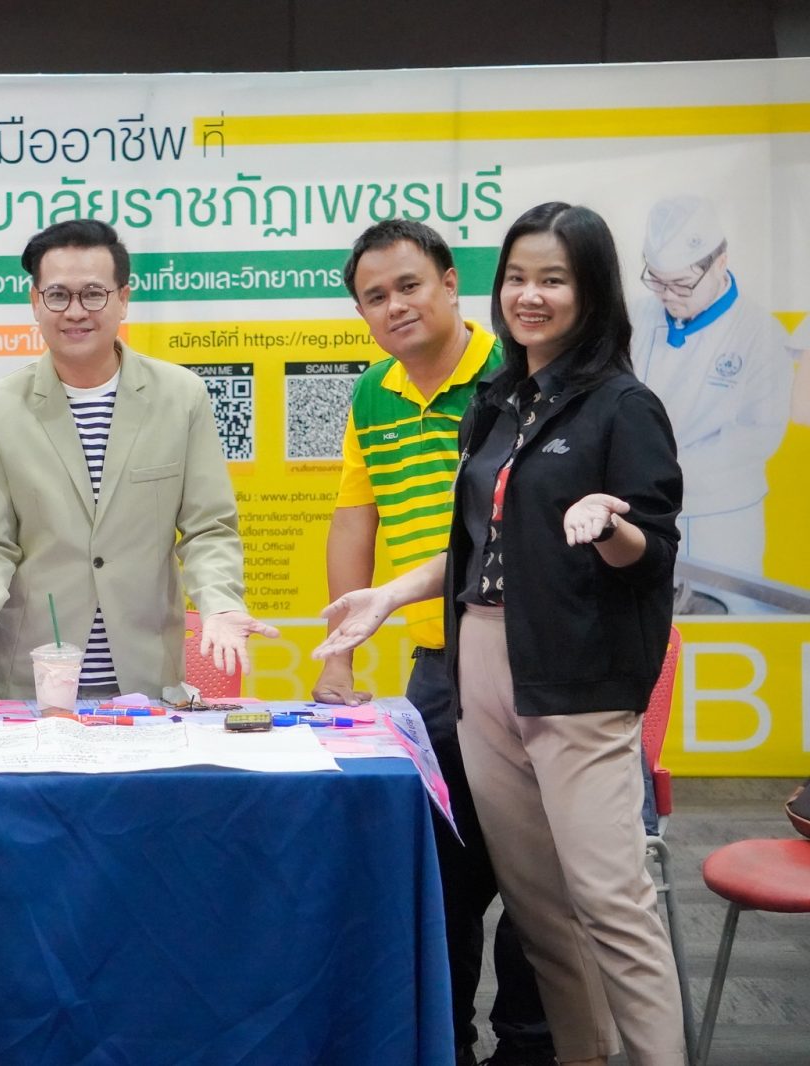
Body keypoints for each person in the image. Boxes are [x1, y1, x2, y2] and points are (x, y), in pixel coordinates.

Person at [316, 202, 686, 1066]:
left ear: (591, 291)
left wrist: (610, 524)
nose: (530, 295)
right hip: (473, 660)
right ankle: (579, 1055)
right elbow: (474, 548)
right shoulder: (498, 405)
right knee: (537, 906)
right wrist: (386, 598)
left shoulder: (623, 405)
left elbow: (653, 551)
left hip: (572, 672)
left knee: (610, 902)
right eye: (517, 277)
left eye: (553, 279)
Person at [317, 218, 553, 1066]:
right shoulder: (372, 394)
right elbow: (355, 519)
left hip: (536, 661)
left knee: (537, 884)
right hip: (438, 673)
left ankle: (529, 1048)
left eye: (409, 285)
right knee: (440, 877)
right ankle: (441, 1043)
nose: (395, 306)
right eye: (374, 296)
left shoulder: (516, 377)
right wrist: (340, 652)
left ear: (452, 283)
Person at [0, 219, 275, 698]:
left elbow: (209, 528)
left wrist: (221, 603)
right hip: (26, 682)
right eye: (58, 295)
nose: (76, 311)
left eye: (94, 294)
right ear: (35, 301)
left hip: (143, 681)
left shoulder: (181, 397)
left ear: (123, 299)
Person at [630, 195, 791, 575]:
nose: (668, 295)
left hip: (721, 516)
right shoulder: (638, 315)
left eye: (682, 284)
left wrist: (663, 471)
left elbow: (758, 435)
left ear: (720, 263)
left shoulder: (760, 333)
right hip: (642, 509)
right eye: (657, 281)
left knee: (724, 605)